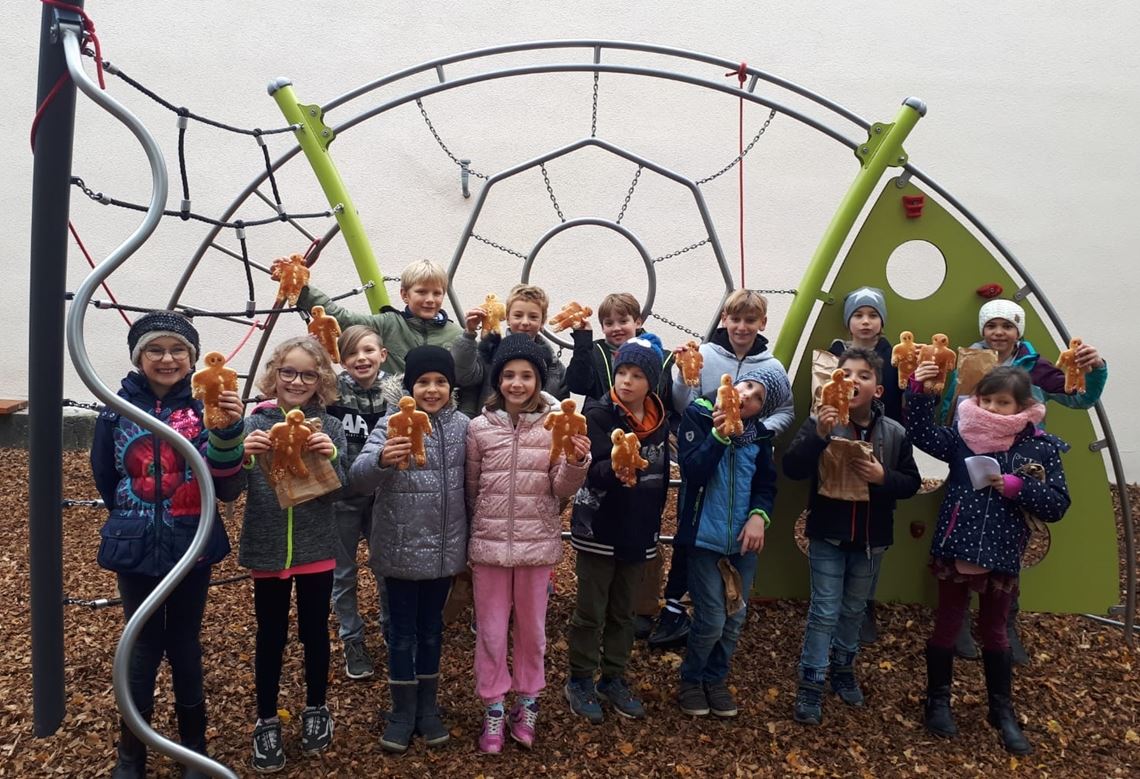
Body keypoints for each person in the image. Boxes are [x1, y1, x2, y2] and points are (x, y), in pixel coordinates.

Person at [91, 311, 245, 779]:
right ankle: (131, 753)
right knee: (141, 646)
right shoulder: (116, 411)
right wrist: (134, 517)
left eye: (178, 350)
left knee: (184, 644)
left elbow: (228, 487)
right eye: (155, 350)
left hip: (190, 542)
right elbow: (106, 475)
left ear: (193, 359)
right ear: (139, 358)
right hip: (135, 546)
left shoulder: (205, 408)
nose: (167, 359)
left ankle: (193, 749)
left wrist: (228, 433)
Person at [908, 365, 1070, 755]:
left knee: (995, 630)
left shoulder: (1039, 447)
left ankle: (1001, 709)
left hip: (1002, 551)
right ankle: (937, 701)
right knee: (947, 623)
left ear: (1023, 405)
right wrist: (919, 391)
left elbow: (1058, 504)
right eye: (987, 400)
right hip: (957, 546)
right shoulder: (963, 436)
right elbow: (922, 433)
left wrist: (1018, 486)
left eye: (1003, 402)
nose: (993, 409)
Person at [942, 299, 1107, 663]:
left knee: (1010, 541)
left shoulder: (1036, 367)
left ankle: (1004, 623)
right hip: (971, 458)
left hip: (1018, 462)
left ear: (1018, 331)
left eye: (1007, 325)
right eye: (991, 325)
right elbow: (951, 404)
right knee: (962, 536)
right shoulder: (970, 361)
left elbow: (1080, 398)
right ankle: (959, 623)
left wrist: (1095, 370)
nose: (998, 332)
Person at [465, 334, 590, 753]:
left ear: (539, 380)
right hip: (490, 549)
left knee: (533, 632)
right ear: (498, 379)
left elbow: (561, 489)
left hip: (536, 548)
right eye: (508, 375)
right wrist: (477, 533)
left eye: (526, 375)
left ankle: (528, 701)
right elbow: (471, 489)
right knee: (491, 631)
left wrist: (576, 462)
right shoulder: (479, 429)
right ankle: (494, 706)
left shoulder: (554, 426)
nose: (516, 383)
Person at [783, 348, 921, 726]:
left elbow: (911, 482)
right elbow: (792, 468)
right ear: (834, 382)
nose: (853, 380)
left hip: (872, 541)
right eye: (845, 374)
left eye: (864, 375)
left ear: (878, 389)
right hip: (828, 535)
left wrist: (883, 477)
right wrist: (818, 434)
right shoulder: (822, 422)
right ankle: (811, 682)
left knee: (854, 610)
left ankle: (843, 670)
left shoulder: (893, 433)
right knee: (824, 610)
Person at [653, 289, 794, 651]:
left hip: (745, 462)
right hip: (706, 453)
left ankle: (721, 606)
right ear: (724, 320)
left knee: (732, 532)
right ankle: (675, 606)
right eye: (736, 319)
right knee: (690, 530)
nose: (742, 327)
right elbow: (685, 402)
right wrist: (682, 376)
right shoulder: (706, 354)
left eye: (750, 320)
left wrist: (757, 432)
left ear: (762, 323)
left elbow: (786, 411)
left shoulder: (772, 367)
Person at [350, 346, 470, 753]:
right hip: (399, 549)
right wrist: (382, 460)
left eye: (440, 382)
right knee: (401, 634)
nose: (431, 390)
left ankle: (428, 708)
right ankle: (401, 711)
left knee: (431, 630)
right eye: (422, 382)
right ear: (408, 387)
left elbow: (474, 484)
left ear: (451, 388)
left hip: (443, 550)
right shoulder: (391, 424)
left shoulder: (462, 427)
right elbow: (358, 478)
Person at [238, 336, 347, 773]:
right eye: (288, 372)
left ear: (321, 380)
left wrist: (330, 457)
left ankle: (316, 706)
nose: (297, 382)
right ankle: (266, 718)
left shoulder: (329, 427)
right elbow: (231, 489)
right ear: (275, 374)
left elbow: (339, 492)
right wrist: (243, 458)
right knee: (270, 634)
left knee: (315, 631)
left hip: (315, 545)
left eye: (308, 374)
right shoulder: (254, 425)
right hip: (268, 547)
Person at [565, 335, 671, 723]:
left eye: (637, 375)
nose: (627, 381)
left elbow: (660, 477)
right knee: (591, 610)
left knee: (625, 611)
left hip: (638, 530)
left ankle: (613, 676)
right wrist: (615, 469)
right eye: (622, 372)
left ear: (651, 382)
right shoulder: (598, 415)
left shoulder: (659, 421)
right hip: (599, 528)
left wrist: (654, 524)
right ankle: (580, 678)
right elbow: (589, 472)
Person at [673, 366, 788, 718]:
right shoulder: (699, 416)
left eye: (758, 398)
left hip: (742, 541)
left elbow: (765, 485)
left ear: (762, 410)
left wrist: (759, 516)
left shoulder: (759, 437)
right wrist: (719, 436)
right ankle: (692, 679)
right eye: (748, 385)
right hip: (703, 538)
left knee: (735, 617)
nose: (748, 396)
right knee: (711, 618)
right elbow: (692, 471)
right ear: (733, 383)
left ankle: (715, 678)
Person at [827, 287, 900, 645]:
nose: (866, 322)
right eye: (858, 315)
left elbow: (900, 401)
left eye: (873, 315)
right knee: (838, 519)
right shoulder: (834, 354)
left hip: (882, 443)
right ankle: (835, 598)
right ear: (848, 321)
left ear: (882, 322)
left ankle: (865, 602)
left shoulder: (894, 356)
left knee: (876, 520)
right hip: (840, 441)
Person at [325, 325, 393, 680]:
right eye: (351, 353)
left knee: (386, 566)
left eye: (368, 350)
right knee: (343, 571)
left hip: (383, 497)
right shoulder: (331, 392)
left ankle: (390, 625)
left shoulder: (397, 394)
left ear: (382, 354)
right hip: (343, 498)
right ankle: (352, 637)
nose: (361, 358)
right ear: (341, 359)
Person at [295, 259, 463, 375]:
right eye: (422, 292)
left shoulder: (457, 335)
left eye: (437, 293)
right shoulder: (388, 324)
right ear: (405, 295)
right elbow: (342, 319)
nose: (430, 299)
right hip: (391, 410)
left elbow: (468, 380)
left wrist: (466, 412)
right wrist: (299, 287)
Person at [452, 282, 568, 418]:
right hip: (492, 427)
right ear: (507, 318)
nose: (525, 322)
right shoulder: (489, 353)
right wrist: (469, 334)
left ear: (542, 321)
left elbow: (561, 410)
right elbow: (463, 376)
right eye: (518, 315)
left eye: (533, 317)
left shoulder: (554, 366)